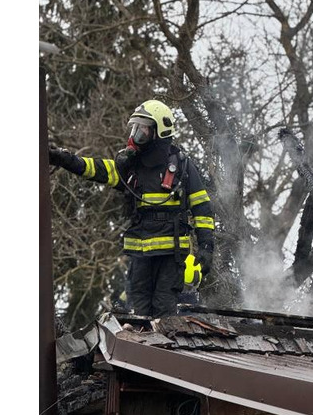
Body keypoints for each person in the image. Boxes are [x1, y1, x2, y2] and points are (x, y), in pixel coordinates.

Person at [49, 100, 216, 318]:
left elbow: (202, 208)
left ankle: (162, 352)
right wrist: (67, 160)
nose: (137, 134)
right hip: (140, 254)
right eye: (135, 128)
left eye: (143, 129)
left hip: (171, 256)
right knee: (139, 315)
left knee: (164, 313)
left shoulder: (182, 166)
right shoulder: (131, 167)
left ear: (159, 131)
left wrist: (206, 246)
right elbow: (98, 169)